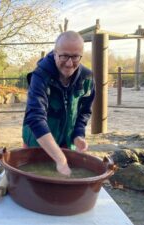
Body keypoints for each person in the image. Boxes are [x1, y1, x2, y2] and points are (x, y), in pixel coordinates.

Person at [22, 31, 95, 176]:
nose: (69, 64)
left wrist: (78, 134)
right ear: (55, 53)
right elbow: (35, 118)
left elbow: (85, 111)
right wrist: (60, 159)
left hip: (67, 142)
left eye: (75, 57)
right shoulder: (40, 76)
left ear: (81, 55)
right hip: (38, 141)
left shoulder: (87, 78)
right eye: (64, 56)